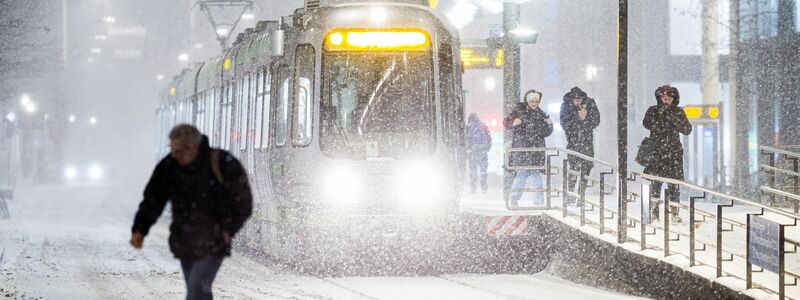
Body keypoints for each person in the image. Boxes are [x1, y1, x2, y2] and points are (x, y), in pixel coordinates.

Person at [130, 124, 253, 300]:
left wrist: (228, 229)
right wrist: (140, 229)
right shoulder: (169, 166)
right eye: (172, 150)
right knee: (199, 290)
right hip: (184, 242)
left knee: (196, 288)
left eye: (179, 151)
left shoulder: (220, 162)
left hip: (214, 241)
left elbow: (243, 202)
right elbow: (153, 200)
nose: (174, 155)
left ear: (193, 148)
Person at [642, 85, 692, 223]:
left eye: (669, 98)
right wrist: (659, 116)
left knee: (674, 185)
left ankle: (675, 213)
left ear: (674, 99)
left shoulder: (678, 112)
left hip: (673, 153)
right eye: (664, 98)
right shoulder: (653, 110)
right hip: (657, 152)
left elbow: (687, 129)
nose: (666, 100)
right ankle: (653, 212)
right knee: (655, 184)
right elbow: (646, 124)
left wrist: (673, 118)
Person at [504, 89, 554, 209]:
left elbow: (547, 132)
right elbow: (506, 123)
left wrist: (549, 125)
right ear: (527, 100)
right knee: (522, 175)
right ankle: (514, 199)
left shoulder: (542, 114)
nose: (534, 104)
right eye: (532, 101)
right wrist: (513, 122)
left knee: (535, 176)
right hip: (523, 149)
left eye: (536, 101)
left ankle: (538, 201)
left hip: (534, 149)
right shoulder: (519, 111)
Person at [560, 87, 600, 204]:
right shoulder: (566, 106)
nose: (578, 102)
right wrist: (579, 117)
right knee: (574, 168)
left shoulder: (590, 103)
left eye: (580, 99)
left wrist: (584, 120)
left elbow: (596, 120)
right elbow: (564, 124)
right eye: (575, 100)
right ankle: (570, 195)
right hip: (573, 142)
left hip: (587, 141)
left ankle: (580, 195)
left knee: (586, 168)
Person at [466, 113, 492, 193]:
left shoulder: (468, 127)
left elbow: (466, 139)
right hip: (482, 151)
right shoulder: (483, 125)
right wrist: (487, 148)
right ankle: (484, 188)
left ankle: (473, 188)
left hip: (472, 152)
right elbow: (489, 138)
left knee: (473, 170)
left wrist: (468, 150)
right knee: (483, 170)